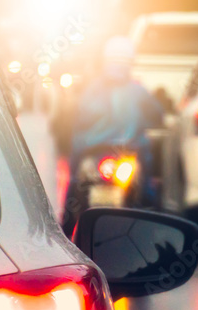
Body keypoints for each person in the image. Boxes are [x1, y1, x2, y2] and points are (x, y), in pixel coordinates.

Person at [62, 37, 163, 234]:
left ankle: (63, 232)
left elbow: (75, 119)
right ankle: (151, 230)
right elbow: (156, 114)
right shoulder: (137, 91)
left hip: (97, 152)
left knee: (74, 187)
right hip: (123, 153)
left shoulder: (91, 89)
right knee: (147, 195)